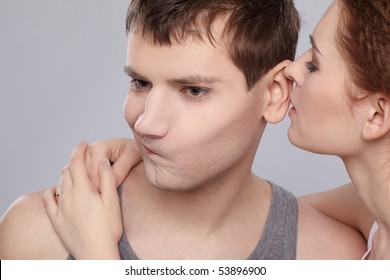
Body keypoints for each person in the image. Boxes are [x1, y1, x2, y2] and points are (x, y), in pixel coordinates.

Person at [0, 0, 365, 260]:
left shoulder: (332, 257)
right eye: (141, 82)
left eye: (193, 90)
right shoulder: (35, 234)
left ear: (274, 95)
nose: (145, 124)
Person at [284, 0, 390, 259]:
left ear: (376, 116)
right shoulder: (371, 206)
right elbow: (277, 214)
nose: (291, 69)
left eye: (314, 65)